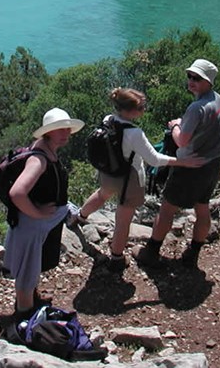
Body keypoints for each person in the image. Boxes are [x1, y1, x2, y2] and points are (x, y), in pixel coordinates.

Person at [74, 87, 205, 272]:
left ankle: (78, 217)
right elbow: (154, 159)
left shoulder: (107, 119)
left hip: (108, 173)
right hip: (130, 179)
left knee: (102, 194)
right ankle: (117, 258)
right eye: (142, 107)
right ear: (131, 111)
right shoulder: (134, 133)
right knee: (123, 220)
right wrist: (182, 162)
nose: (144, 110)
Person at [134, 58, 220, 269]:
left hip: (189, 166)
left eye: (197, 78)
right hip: (213, 164)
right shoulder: (219, 101)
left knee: (167, 208)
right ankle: (193, 254)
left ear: (208, 81)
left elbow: (181, 140)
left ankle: (151, 252)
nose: (191, 81)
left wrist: (175, 126)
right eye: (190, 76)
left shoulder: (197, 108)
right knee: (202, 208)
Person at [2, 107, 82, 325]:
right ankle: (25, 318)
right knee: (27, 273)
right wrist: (37, 214)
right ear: (48, 132)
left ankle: (30, 303)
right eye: (59, 129)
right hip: (31, 223)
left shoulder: (47, 149)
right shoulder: (39, 159)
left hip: (35, 222)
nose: (65, 132)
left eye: (66, 128)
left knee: (32, 265)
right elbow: (17, 193)